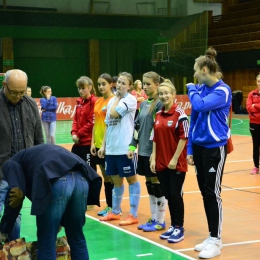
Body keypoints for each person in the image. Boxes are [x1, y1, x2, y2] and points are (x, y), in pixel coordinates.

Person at [0, 144, 102, 260]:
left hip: (56, 179)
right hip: (82, 179)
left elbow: (16, 196)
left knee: (47, 241)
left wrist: (4, 231)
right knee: (77, 238)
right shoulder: (33, 155)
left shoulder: (9, 163)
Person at [186, 47, 232, 259]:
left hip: (215, 149)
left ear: (204, 70)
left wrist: (191, 89)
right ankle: (211, 235)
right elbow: (193, 120)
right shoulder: (201, 89)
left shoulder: (222, 91)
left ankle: (217, 240)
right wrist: (190, 149)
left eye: (196, 71)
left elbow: (200, 105)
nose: (194, 75)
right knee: (205, 192)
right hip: (200, 148)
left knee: (213, 193)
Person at [0, 69, 44, 240]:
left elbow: (38, 139)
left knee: (15, 218)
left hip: (22, 174)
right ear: (4, 85)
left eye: (22, 92)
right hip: (1, 172)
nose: (18, 96)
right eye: (14, 92)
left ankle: (12, 252)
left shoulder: (31, 103)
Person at [98, 72, 140, 226]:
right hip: (112, 148)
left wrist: (116, 97)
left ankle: (133, 214)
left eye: (124, 83)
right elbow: (108, 124)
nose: (120, 85)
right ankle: (116, 212)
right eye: (119, 82)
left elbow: (114, 114)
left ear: (129, 86)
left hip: (124, 148)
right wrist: (103, 146)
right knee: (116, 181)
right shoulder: (112, 101)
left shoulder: (129, 100)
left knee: (131, 179)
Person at [128, 71, 167, 232]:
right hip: (143, 151)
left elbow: (159, 130)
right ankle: (154, 218)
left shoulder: (160, 104)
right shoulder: (143, 104)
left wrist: (155, 154)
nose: (145, 86)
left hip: (154, 153)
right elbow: (136, 127)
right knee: (150, 184)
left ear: (157, 85)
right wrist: (132, 145)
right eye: (143, 84)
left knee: (158, 185)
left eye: (148, 84)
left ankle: (161, 220)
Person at [150, 81, 189, 243]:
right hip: (161, 163)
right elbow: (155, 138)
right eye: (161, 93)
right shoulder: (158, 114)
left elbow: (184, 137)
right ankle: (173, 226)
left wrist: (174, 158)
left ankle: (179, 227)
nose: (164, 96)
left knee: (175, 194)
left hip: (176, 164)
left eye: (167, 93)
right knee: (168, 195)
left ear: (174, 94)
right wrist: (153, 157)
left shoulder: (180, 114)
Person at [71, 76, 98, 211]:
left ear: (90, 87)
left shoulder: (94, 102)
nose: (81, 91)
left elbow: (92, 122)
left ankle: (91, 201)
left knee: (89, 172)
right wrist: (73, 133)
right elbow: (75, 119)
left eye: (83, 88)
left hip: (88, 143)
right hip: (78, 143)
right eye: (79, 88)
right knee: (74, 170)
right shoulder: (79, 102)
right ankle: (77, 197)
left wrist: (79, 134)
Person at [90, 73, 114, 216]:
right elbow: (95, 123)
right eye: (99, 84)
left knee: (112, 177)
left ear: (111, 84)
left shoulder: (113, 101)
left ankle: (114, 207)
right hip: (98, 144)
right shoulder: (98, 102)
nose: (101, 87)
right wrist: (93, 142)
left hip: (109, 145)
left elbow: (109, 124)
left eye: (104, 84)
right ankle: (109, 206)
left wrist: (104, 145)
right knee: (105, 177)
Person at [246, 73, 260, 174]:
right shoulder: (251, 94)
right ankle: (256, 166)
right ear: (256, 82)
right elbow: (248, 107)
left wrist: (255, 106)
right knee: (256, 145)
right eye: (259, 81)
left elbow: (253, 107)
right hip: (254, 123)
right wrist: (255, 106)